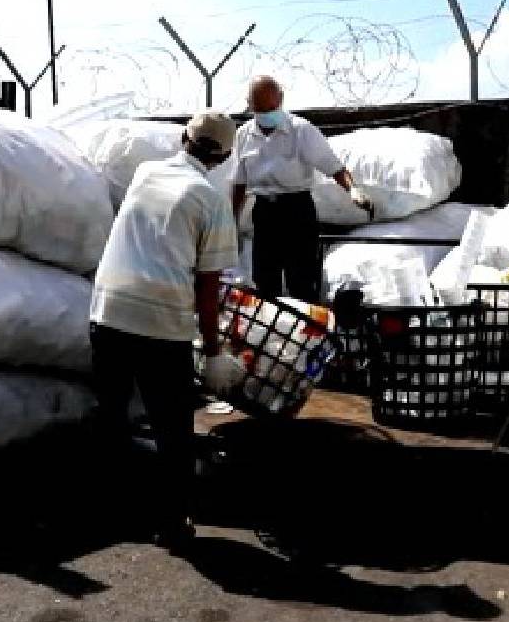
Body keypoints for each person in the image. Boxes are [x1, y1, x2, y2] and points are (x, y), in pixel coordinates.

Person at [89, 111, 243, 552]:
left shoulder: (144, 172)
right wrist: (213, 351)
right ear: (226, 156)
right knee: (172, 429)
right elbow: (208, 288)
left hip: (108, 310)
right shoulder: (210, 200)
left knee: (111, 415)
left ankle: (109, 510)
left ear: (183, 138)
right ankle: (172, 524)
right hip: (160, 324)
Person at [230, 76, 372, 302]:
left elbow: (333, 166)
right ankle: (271, 332)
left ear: (280, 101)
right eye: (259, 109)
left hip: (296, 210)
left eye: (270, 108)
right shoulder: (244, 135)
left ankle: (307, 333)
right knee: (265, 282)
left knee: (302, 281)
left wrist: (352, 190)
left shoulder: (301, 130)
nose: (265, 115)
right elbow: (239, 182)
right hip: (265, 213)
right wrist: (233, 221)